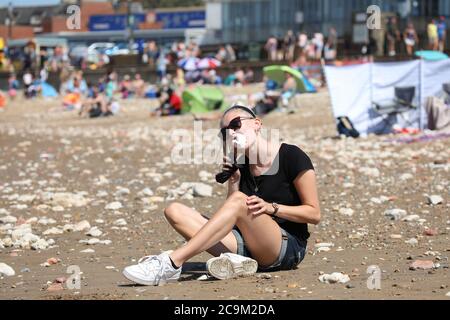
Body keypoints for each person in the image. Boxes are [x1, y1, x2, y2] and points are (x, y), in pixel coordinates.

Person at [122, 104, 320, 285]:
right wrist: (234, 182)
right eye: (225, 131)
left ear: (257, 124)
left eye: (236, 124)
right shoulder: (242, 165)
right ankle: (239, 263)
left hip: (286, 247)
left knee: (240, 201)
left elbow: (314, 214)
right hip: (249, 245)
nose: (232, 132)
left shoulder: (292, 156)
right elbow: (234, 218)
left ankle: (172, 263)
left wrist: (273, 208)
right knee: (174, 211)